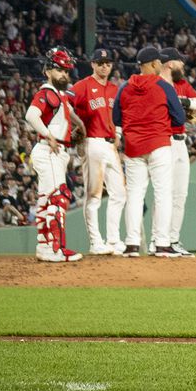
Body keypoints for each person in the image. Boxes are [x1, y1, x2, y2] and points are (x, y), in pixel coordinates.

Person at [112, 45, 185, 257]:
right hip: (159, 144)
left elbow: (116, 118)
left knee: (134, 195)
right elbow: (179, 118)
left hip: (133, 147)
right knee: (163, 194)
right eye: (158, 62)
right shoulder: (163, 86)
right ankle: (162, 243)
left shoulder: (124, 87)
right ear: (153, 64)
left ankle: (132, 244)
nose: (160, 65)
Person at [23, 47, 87, 263]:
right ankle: (56, 248)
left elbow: (66, 110)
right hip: (50, 149)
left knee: (45, 201)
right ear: (48, 71)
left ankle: (44, 247)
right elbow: (31, 115)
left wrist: (79, 124)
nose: (64, 75)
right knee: (58, 197)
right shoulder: (47, 92)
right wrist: (48, 134)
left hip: (53, 151)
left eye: (67, 71)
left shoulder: (58, 94)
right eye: (60, 70)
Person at [150, 47, 196, 257]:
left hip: (181, 142)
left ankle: (173, 239)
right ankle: (157, 239)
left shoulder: (182, 85)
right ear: (171, 63)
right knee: (164, 193)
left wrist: (185, 102)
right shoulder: (156, 83)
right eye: (181, 62)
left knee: (180, 195)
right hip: (164, 141)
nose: (183, 65)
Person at [71, 47, 125, 255]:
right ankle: (96, 242)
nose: (104, 66)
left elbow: (120, 115)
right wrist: (76, 127)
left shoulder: (114, 89)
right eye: (100, 63)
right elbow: (65, 104)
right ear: (92, 64)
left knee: (119, 194)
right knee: (93, 195)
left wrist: (118, 132)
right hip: (92, 142)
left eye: (108, 63)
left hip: (111, 144)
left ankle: (113, 240)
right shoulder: (82, 86)